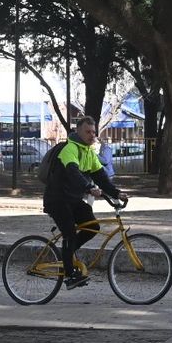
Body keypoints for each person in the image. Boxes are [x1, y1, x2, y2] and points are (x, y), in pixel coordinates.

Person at [43, 116, 125, 288]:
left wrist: (117, 193)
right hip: (57, 199)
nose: (92, 135)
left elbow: (102, 178)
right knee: (70, 233)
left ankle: (68, 252)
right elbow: (73, 173)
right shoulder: (69, 149)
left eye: (93, 132)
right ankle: (70, 274)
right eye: (87, 132)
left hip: (73, 200)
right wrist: (88, 188)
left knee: (93, 227)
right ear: (78, 131)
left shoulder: (89, 153)